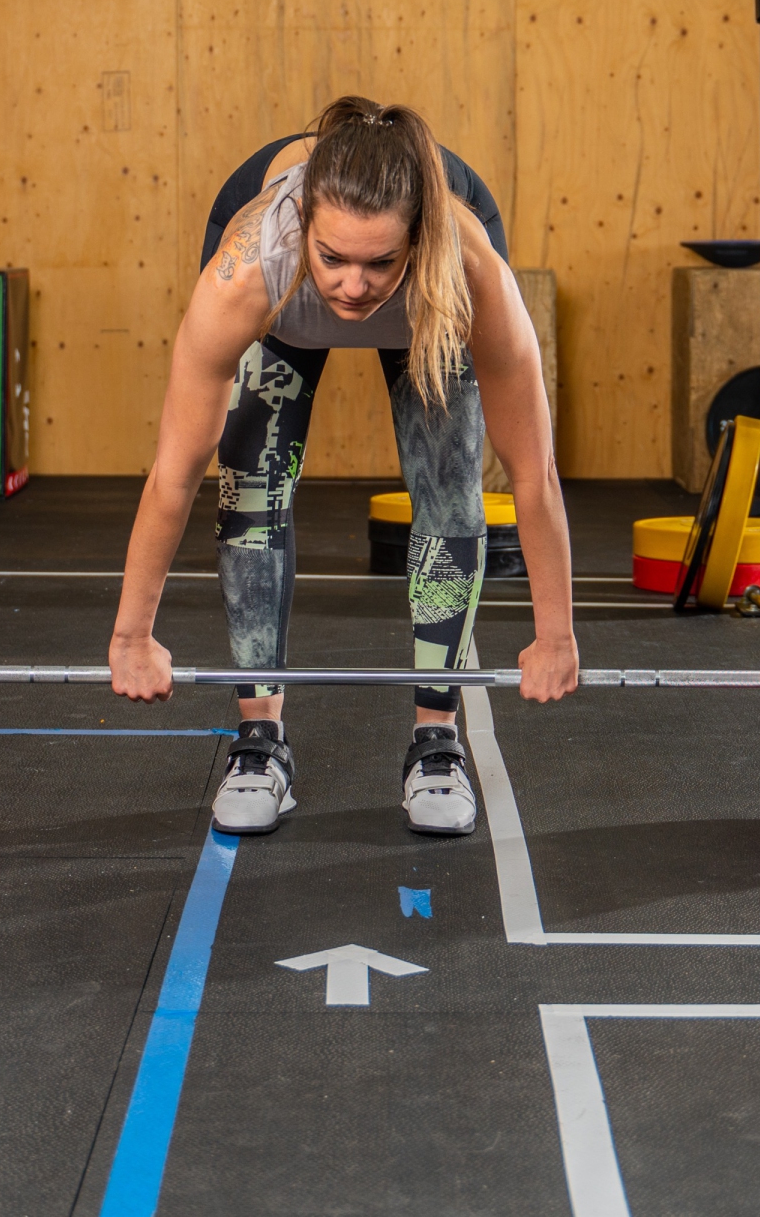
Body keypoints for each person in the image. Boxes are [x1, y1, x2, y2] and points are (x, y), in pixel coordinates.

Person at [109, 96, 577, 837]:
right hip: (279, 294)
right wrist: (132, 635)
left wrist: (556, 635)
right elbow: (175, 471)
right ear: (306, 237)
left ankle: (437, 743)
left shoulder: (469, 271)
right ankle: (260, 743)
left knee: (450, 487)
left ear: (416, 241)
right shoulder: (248, 268)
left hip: (428, 307)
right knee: (249, 487)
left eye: (377, 261)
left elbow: (531, 474)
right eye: (334, 258)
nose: (353, 286)